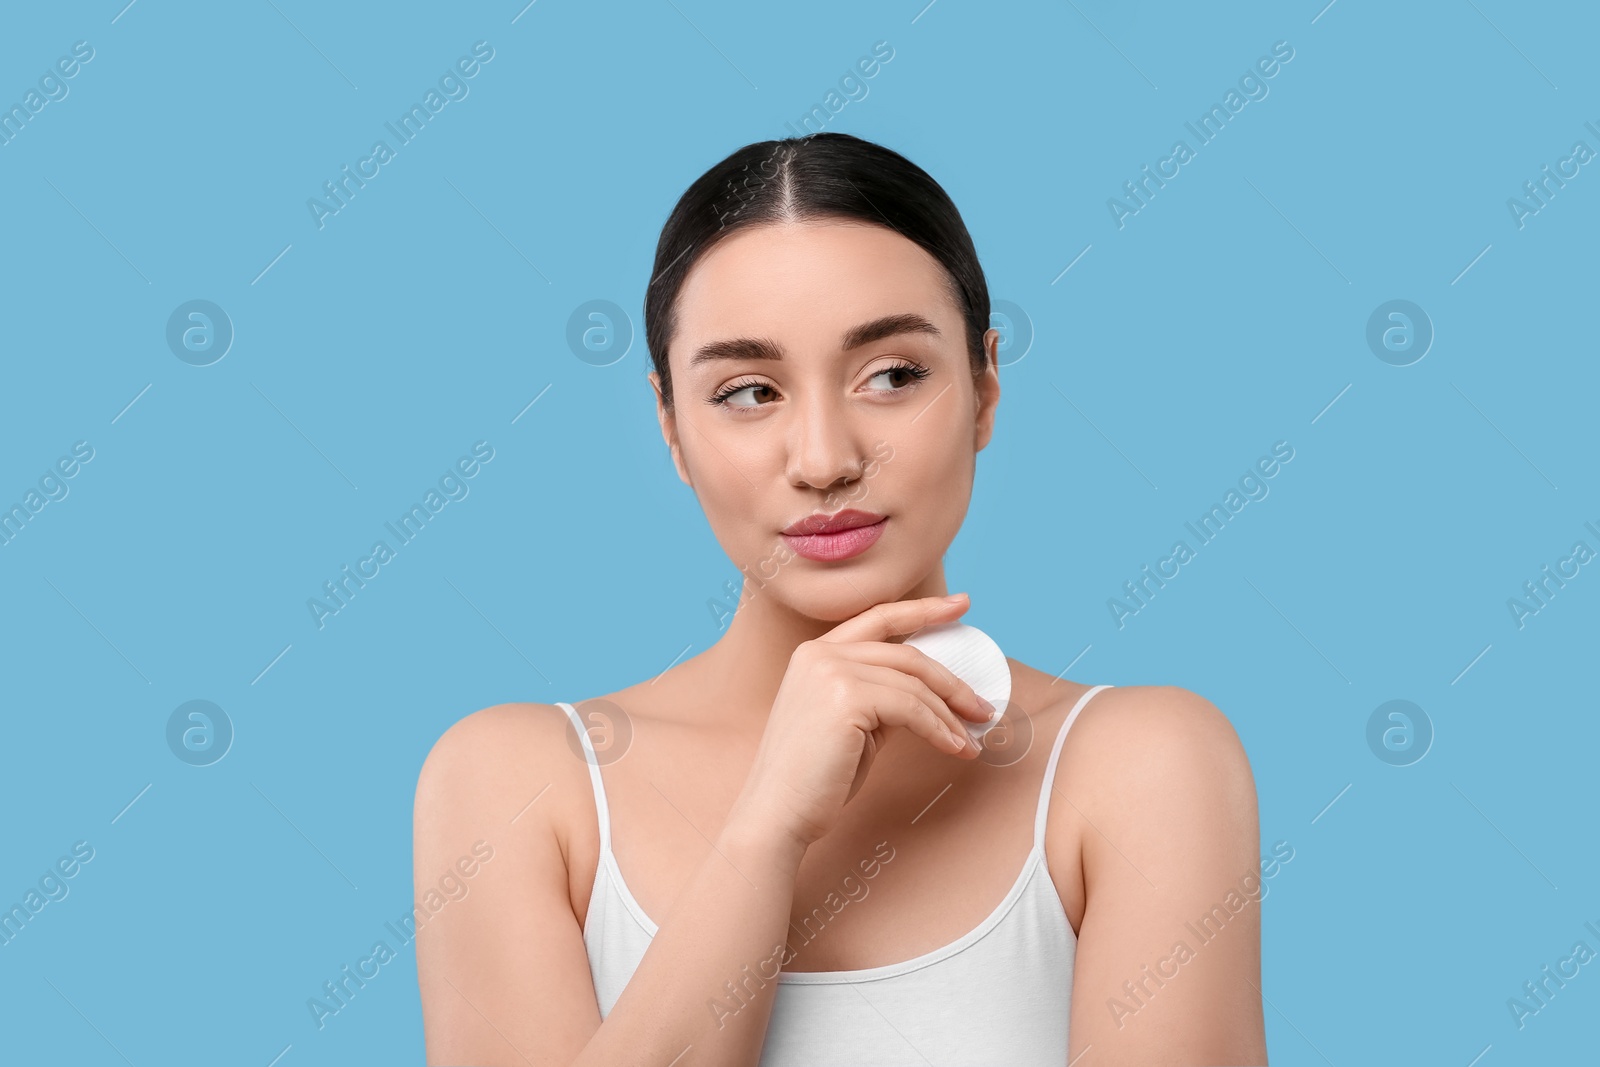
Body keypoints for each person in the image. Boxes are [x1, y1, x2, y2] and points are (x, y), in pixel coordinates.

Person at [413, 132, 1266, 1066]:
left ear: (985, 387)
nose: (824, 460)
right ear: (669, 425)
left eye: (893, 375)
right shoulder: (515, 784)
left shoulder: (1141, 765)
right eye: (748, 392)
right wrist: (767, 830)